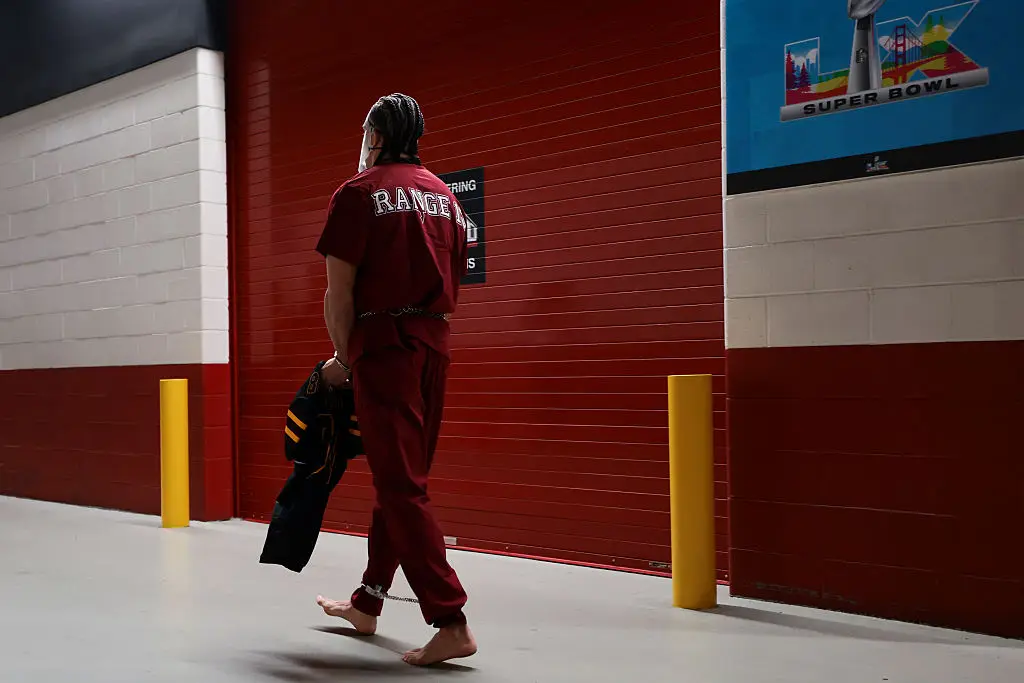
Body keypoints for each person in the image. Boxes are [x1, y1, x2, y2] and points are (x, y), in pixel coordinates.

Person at [312, 93, 476, 667]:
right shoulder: (447, 198)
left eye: (364, 132)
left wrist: (344, 356)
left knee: (401, 486)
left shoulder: (356, 195)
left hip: (383, 348)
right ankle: (368, 603)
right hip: (435, 344)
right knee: (401, 479)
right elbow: (454, 275)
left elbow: (340, 294)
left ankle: (450, 619)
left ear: (377, 136)